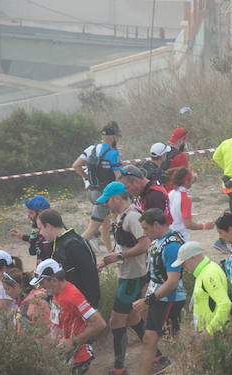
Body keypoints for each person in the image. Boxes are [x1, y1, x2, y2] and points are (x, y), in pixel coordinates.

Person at [97, 181, 150, 375]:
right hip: (129, 276)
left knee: (116, 322)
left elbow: (145, 244)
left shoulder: (133, 217)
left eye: (107, 200)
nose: (105, 204)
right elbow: (123, 246)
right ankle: (158, 356)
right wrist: (107, 261)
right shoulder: (121, 216)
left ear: (117, 198)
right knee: (133, 318)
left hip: (133, 278)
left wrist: (119, 256)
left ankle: (119, 369)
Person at [133, 208, 186, 375]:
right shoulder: (159, 241)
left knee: (171, 342)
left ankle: (187, 367)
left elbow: (173, 281)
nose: (144, 233)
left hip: (169, 300)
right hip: (160, 298)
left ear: (156, 225)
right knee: (150, 339)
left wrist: (148, 300)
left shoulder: (172, 246)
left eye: (146, 228)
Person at [30, 259, 106, 374]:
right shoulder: (56, 293)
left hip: (79, 357)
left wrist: (73, 342)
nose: (40, 287)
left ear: (54, 280)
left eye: (42, 283)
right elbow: (56, 321)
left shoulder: (72, 296)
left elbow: (99, 323)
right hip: (65, 356)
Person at [72, 123, 122, 252]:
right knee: (93, 228)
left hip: (92, 192)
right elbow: (118, 177)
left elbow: (76, 165)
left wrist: (86, 177)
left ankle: (110, 252)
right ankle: (73, 250)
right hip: (106, 195)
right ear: (113, 138)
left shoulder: (91, 149)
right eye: (117, 137)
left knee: (105, 225)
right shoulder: (113, 154)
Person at [36, 209, 101, 307]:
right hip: (66, 303)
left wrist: (92, 306)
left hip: (79, 304)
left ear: (48, 226)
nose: (40, 233)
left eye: (40, 228)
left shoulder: (73, 245)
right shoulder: (58, 243)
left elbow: (90, 276)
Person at [173, 241, 231, 335]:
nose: (183, 267)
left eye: (183, 263)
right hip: (208, 330)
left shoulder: (209, 275)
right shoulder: (206, 269)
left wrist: (209, 331)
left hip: (213, 332)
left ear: (192, 258)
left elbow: (225, 304)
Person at [167, 167, 213, 241]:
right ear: (186, 181)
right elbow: (188, 224)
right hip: (181, 237)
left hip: (169, 234)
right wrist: (204, 226)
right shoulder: (185, 199)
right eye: (191, 178)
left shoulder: (170, 193)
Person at [9, 195, 52, 262]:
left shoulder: (51, 233)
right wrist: (22, 236)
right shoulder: (37, 230)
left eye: (31, 213)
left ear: (40, 213)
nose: (28, 216)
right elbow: (33, 248)